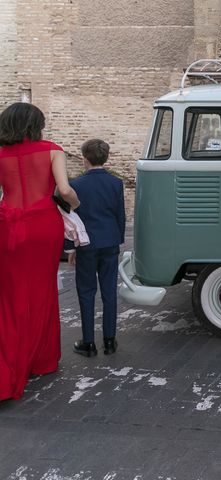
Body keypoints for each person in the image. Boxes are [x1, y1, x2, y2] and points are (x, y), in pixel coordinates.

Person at [0, 102, 80, 401]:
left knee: (10, 296)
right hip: (43, 225)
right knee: (42, 291)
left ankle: (10, 359)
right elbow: (65, 190)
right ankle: (40, 360)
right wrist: (76, 207)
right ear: (36, 124)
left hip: (7, 225)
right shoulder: (52, 149)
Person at [67, 139, 125, 357]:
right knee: (109, 291)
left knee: (86, 291)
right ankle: (110, 341)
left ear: (84, 158)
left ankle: (88, 343)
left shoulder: (76, 185)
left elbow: (70, 219)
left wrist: (70, 249)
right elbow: (120, 215)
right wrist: (117, 239)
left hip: (86, 244)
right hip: (110, 241)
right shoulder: (116, 183)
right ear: (106, 157)